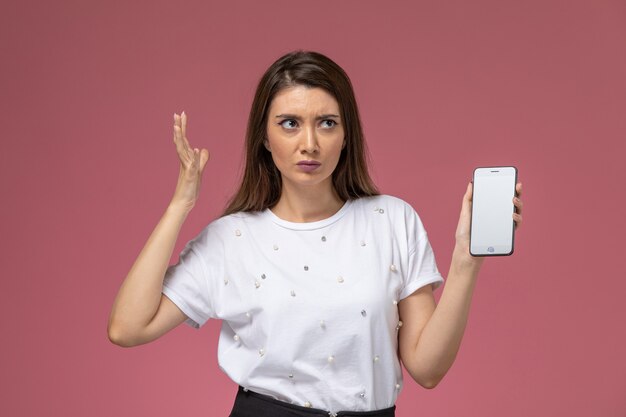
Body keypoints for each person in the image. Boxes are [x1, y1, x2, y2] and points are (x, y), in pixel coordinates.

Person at [108, 50, 524, 417]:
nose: (309, 143)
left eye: (326, 123)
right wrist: (181, 204)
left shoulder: (392, 220)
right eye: (289, 123)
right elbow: (127, 328)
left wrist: (467, 260)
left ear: (346, 136)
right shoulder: (231, 239)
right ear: (265, 139)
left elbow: (428, 369)